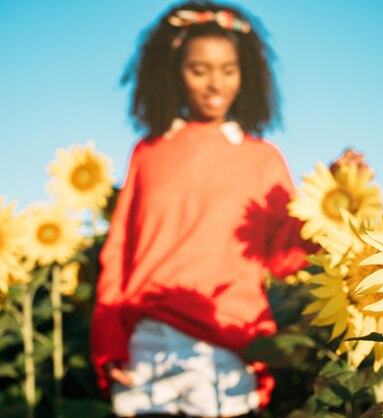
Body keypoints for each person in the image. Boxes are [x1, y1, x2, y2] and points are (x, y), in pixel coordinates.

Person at [90, 2, 313, 417]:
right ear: (174, 73)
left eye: (229, 70)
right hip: (146, 343)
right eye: (200, 70)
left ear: (245, 74)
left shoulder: (262, 157)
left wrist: (332, 205)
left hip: (227, 341)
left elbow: (283, 257)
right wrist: (108, 341)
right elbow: (118, 253)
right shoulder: (148, 152)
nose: (216, 84)